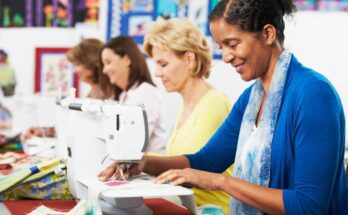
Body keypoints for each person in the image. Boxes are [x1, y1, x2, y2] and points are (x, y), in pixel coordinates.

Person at [99, 0, 348, 214]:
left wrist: (221, 182)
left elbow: (308, 206)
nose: (226, 57)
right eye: (221, 47)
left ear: (268, 34)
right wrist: (143, 162)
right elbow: (207, 161)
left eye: (233, 44)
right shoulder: (252, 99)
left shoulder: (313, 94)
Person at [21, 38, 114, 143]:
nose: (75, 70)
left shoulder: (109, 95)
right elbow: (75, 126)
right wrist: (43, 132)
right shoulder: (93, 92)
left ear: (91, 62)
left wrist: (46, 132)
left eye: (78, 64)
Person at [100, 36, 167, 153]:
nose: (104, 70)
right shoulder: (123, 95)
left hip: (150, 169)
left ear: (126, 59)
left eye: (108, 62)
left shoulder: (146, 93)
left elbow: (134, 142)